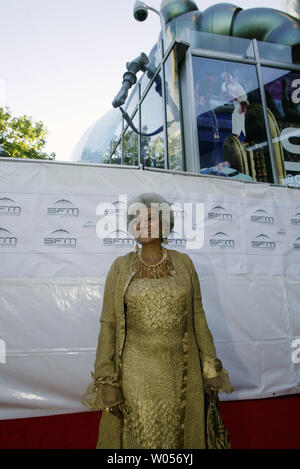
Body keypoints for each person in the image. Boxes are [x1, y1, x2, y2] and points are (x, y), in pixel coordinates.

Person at [81, 192, 234, 449]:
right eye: (136, 219)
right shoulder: (120, 267)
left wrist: (211, 366)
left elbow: (198, 316)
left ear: (165, 224)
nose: (142, 224)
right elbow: (108, 325)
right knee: (143, 438)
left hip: (182, 372)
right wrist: (106, 377)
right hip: (135, 375)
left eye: (150, 218)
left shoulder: (184, 264)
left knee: (182, 437)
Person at [221, 72, 249, 137]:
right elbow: (224, 96)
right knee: (237, 119)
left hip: (240, 103)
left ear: (231, 76)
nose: (226, 78)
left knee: (240, 119)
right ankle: (236, 136)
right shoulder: (224, 85)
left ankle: (239, 135)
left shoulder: (237, 85)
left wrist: (240, 103)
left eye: (228, 76)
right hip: (233, 104)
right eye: (225, 77)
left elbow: (244, 96)